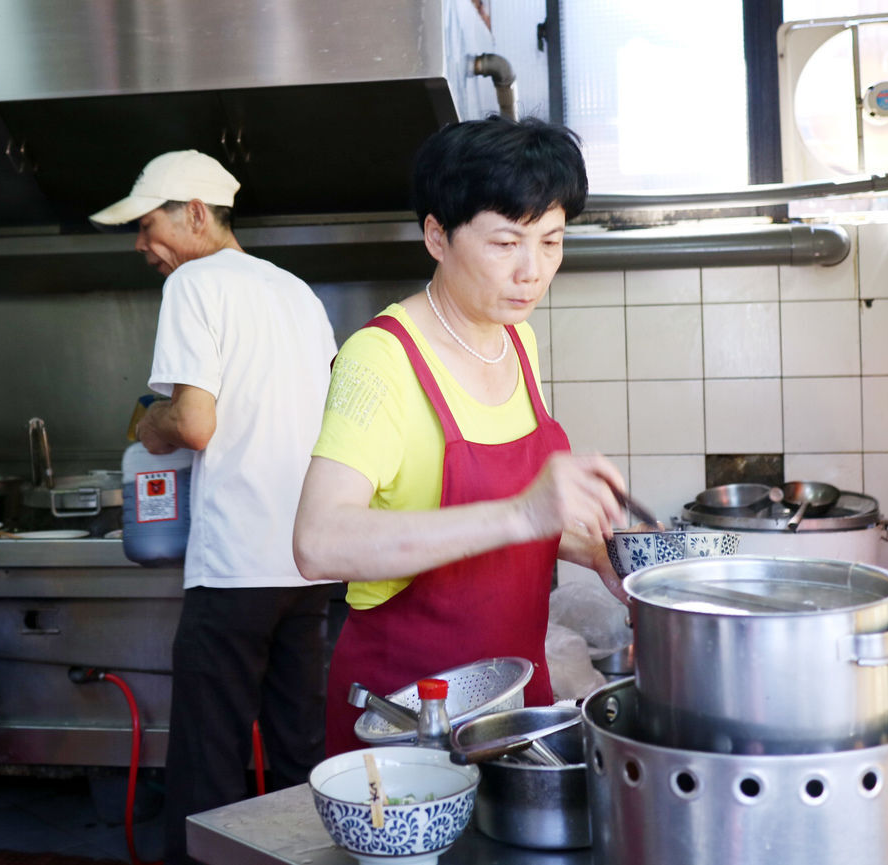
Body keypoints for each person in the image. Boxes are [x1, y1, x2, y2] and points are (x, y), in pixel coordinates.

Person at [292, 116, 631, 757]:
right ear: (437, 237)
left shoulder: (518, 342)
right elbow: (318, 542)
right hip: (409, 722)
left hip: (513, 709)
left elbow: (522, 526)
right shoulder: (380, 359)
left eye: (552, 241)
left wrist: (613, 557)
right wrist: (524, 509)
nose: (533, 271)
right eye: (506, 244)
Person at [90, 150, 338, 864]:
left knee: (209, 761)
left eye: (148, 225)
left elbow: (194, 422)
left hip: (234, 570)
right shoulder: (297, 292)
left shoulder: (196, 282)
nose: (142, 244)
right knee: (298, 756)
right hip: (307, 561)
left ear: (196, 214)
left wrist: (149, 427)